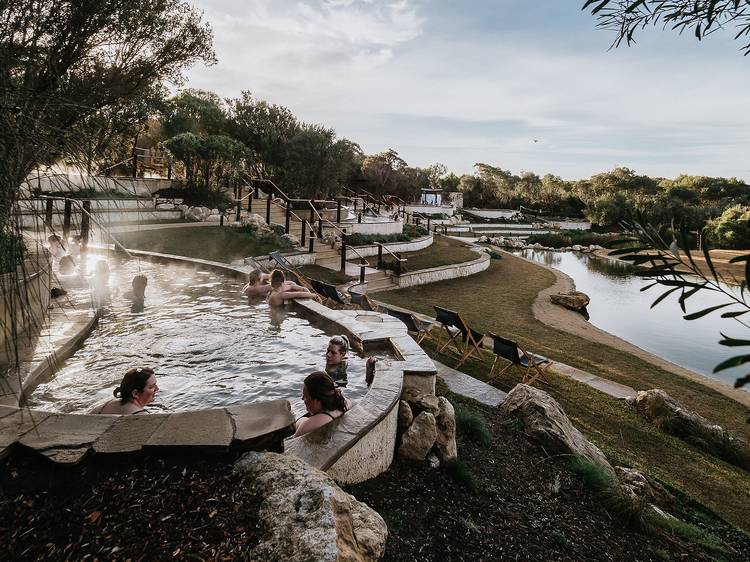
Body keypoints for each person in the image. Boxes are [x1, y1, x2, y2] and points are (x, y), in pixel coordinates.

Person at [293, 371, 351, 437]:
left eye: (305, 395)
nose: (302, 399)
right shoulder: (345, 403)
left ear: (317, 401)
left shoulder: (308, 425)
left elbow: (291, 444)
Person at [88, 367, 159, 415]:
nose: (157, 389)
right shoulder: (142, 415)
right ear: (135, 393)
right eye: (151, 387)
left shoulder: (106, 404)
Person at [242, 269, 307, 297]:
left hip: (251, 296)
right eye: (261, 276)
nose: (263, 276)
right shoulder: (255, 288)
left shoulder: (251, 284)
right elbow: (272, 285)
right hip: (252, 298)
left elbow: (266, 276)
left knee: (291, 284)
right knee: (291, 283)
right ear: (258, 279)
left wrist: (274, 275)